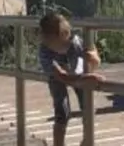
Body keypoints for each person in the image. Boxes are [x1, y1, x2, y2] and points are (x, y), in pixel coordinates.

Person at [38, 12, 103, 146]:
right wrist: (83, 78)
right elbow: (61, 76)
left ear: (63, 35)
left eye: (49, 39)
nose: (45, 42)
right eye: (45, 39)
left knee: (87, 106)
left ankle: (87, 140)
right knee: (62, 111)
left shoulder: (76, 43)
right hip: (58, 76)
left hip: (76, 72)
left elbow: (96, 62)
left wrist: (93, 59)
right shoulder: (45, 50)